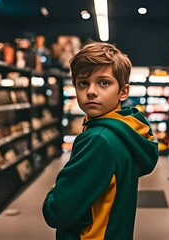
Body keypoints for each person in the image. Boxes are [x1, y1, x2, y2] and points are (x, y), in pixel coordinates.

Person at [42, 42, 159, 239]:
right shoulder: (127, 129)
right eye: (83, 83)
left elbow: (58, 212)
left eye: (104, 82)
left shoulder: (97, 139)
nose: (91, 91)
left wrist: (54, 193)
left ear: (123, 91)